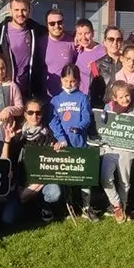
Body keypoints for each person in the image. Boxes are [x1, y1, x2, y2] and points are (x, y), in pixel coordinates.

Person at [2, 98, 63, 225]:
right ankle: (28, 207)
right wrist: (8, 141)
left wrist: (34, 187)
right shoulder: (17, 134)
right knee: (8, 220)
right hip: (19, 182)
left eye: (38, 113)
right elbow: (4, 161)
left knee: (54, 192)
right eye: (30, 112)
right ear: (25, 114)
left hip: (39, 181)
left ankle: (44, 206)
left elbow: (52, 166)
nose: (34, 116)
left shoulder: (48, 135)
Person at [49, 64, 96, 221]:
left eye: (73, 81)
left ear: (78, 81)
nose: (70, 84)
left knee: (84, 176)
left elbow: (87, 118)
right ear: (61, 80)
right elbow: (53, 122)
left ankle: (87, 207)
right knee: (67, 176)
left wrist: (80, 127)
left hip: (80, 143)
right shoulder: (55, 100)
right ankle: (69, 206)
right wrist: (61, 138)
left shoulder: (83, 98)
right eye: (66, 81)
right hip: (64, 145)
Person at [100, 81, 134, 223]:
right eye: (121, 97)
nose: (125, 99)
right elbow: (102, 127)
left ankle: (123, 207)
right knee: (105, 177)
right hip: (111, 148)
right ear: (114, 98)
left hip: (127, 149)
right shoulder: (108, 108)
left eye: (127, 95)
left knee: (124, 181)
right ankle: (116, 204)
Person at [0, 0, 47, 99]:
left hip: (30, 90)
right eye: (16, 10)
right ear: (10, 11)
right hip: (5, 89)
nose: (20, 14)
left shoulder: (39, 31)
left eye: (24, 10)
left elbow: (57, 37)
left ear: (29, 10)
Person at [40, 8, 78, 98]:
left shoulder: (73, 42)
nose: (56, 26)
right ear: (47, 25)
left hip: (69, 95)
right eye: (52, 23)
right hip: (47, 96)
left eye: (59, 22)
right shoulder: (40, 43)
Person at [89, 26, 125, 109]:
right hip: (105, 109)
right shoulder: (96, 65)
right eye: (111, 39)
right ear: (104, 42)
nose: (115, 42)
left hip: (125, 107)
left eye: (118, 39)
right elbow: (93, 95)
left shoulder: (129, 62)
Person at [75, 18, 105, 94]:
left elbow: (102, 78)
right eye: (80, 34)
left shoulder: (103, 51)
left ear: (93, 33)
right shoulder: (77, 50)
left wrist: (95, 67)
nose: (83, 37)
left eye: (87, 33)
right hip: (80, 96)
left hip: (95, 97)